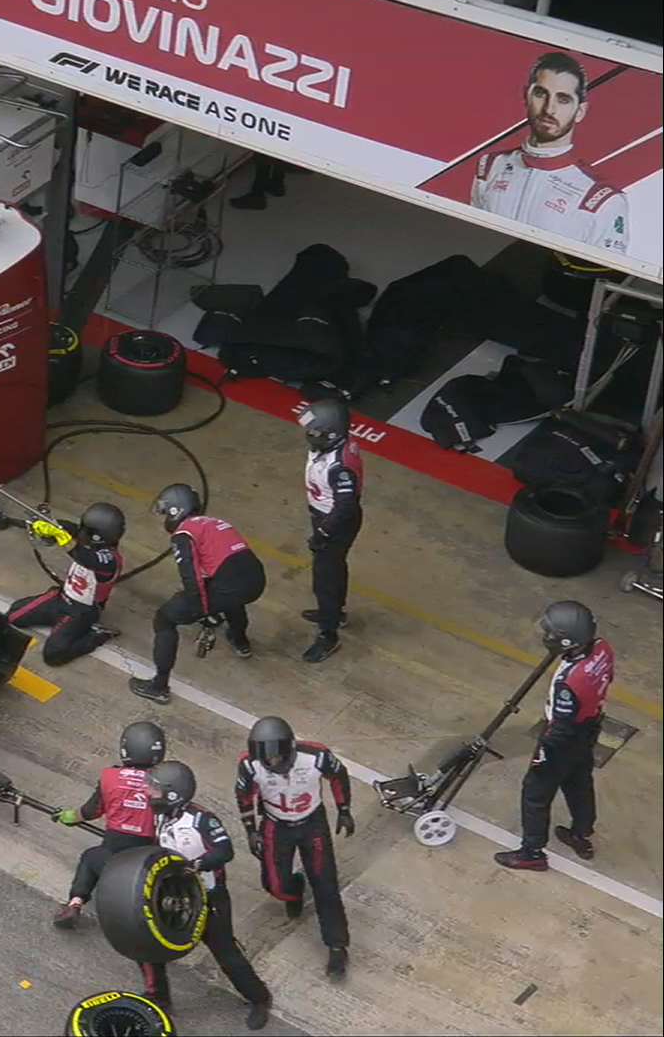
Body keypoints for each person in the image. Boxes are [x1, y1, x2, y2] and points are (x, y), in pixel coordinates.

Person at [146, 762, 272, 1029]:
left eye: (154, 789)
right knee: (150, 945)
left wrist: (197, 865)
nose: (148, 792)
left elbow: (225, 851)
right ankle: (159, 998)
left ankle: (259, 998)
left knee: (226, 953)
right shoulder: (160, 817)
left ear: (172, 793)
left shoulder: (202, 820)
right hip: (172, 894)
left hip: (208, 898)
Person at [496, 601, 616, 871]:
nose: (545, 636)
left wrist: (544, 753)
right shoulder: (602, 649)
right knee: (578, 781)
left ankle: (532, 852)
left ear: (566, 641)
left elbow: (561, 726)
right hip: (590, 728)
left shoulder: (570, 681)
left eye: (550, 633)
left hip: (563, 739)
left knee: (535, 793)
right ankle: (581, 833)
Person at [470, 52, 628, 254]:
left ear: (580, 111)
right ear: (526, 96)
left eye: (563, 99)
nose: (549, 108)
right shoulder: (490, 165)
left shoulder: (602, 199)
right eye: (541, 94)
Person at [236, 715, 354, 979]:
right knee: (274, 884)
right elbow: (244, 796)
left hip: (312, 822)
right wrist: (251, 830)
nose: (272, 762)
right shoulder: (249, 765)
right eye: (267, 759)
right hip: (275, 824)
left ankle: (337, 946)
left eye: (277, 758)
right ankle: (295, 889)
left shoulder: (316, 756)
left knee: (325, 884)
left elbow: (338, 775)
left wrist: (344, 809)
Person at [131, 484, 268, 705]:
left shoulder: (184, 533)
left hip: (229, 585)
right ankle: (241, 642)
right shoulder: (216, 523)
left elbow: (191, 576)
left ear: (177, 510)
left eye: (166, 511)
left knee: (165, 618)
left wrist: (201, 609)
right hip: (256, 580)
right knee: (231, 599)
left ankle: (159, 686)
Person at [51, 721, 166, 929]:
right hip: (148, 864)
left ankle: (75, 903)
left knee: (90, 857)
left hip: (113, 864)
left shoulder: (110, 777)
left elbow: (90, 812)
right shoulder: (166, 782)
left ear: (125, 750)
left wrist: (68, 816)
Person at [5, 503, 125, 666]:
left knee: (53, 655)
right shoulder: (90, 539)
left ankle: (96, 636)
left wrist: (63, 538)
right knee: (14, 616)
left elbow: (84, 557)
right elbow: (69, 527)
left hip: (82, 612)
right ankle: (58, 622)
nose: (82, 532)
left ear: (96, 535)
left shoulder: (109, 560)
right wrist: (50, 525)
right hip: (62, 597)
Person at [298, 399, 363, 664]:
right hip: (327, 517)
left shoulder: (340, 468)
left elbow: (345, 506)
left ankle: (328, 634)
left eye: (315, 432)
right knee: (335, 568)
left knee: (324, 580)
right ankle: (336, 612)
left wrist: (323, 533)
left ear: (332, 434)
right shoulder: (333, 447)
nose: (310, 436)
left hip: (334, 523)